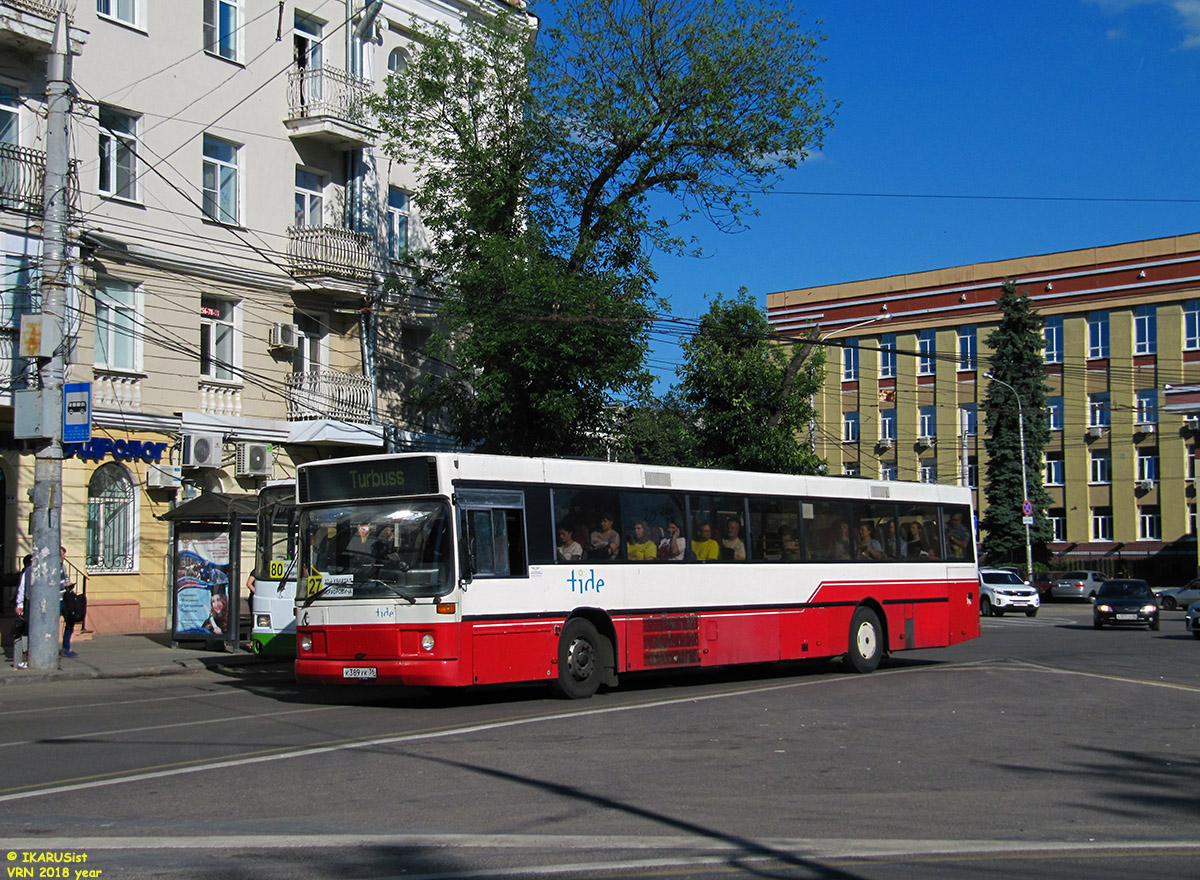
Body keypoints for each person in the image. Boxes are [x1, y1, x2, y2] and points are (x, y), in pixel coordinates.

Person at [59, 546, 79, 658]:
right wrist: (63, 585)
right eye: (62, 554)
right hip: (56, 599)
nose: (64, 557)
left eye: (64, 554)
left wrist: (69, 584)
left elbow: (65, 579)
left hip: (65, 598)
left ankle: (66, 648)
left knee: (70, 621)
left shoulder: (64, 567)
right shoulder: (52, 567)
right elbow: (50, 583)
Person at [12, 554, 31, 669]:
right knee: (27, 630)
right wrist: (20, 604)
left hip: (39, 604)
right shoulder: (29, 571)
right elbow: (22, 588)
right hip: (30, 603)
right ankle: (25, 658)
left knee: (30, 630)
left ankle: (27, 658)